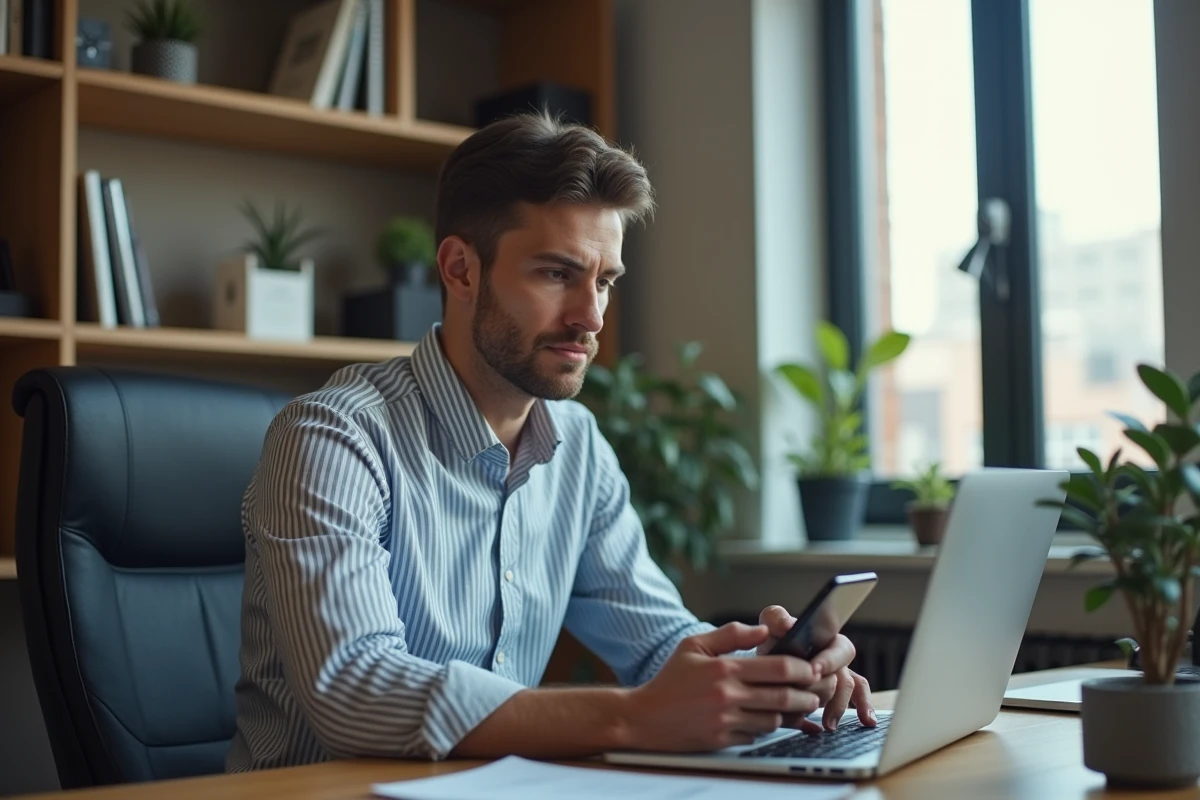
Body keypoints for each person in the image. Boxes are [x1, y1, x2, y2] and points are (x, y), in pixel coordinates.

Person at [225, 111, 875, 772]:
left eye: (604, 281)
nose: (590, 318)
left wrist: (773, 673)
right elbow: (355, 688)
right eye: (557, 274)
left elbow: (659, 642)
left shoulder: (579, 445)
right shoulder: (333, 438)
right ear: (460, 270)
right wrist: (632, 717)